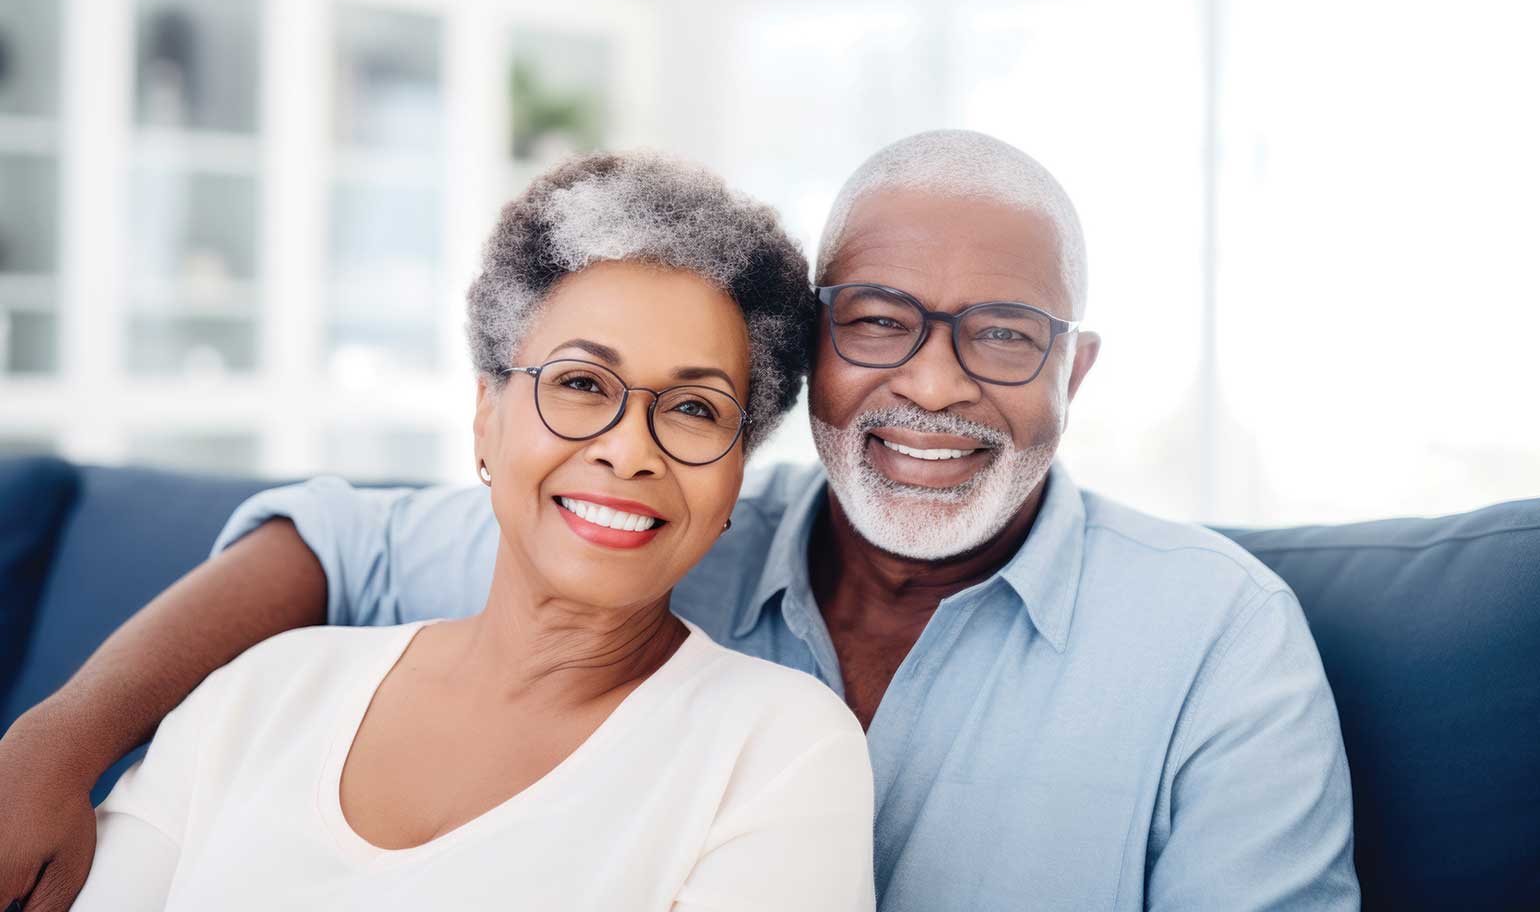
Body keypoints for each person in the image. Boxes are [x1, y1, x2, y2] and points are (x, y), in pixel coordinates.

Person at [0, 130, 1358, 912]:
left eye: (1004, 336)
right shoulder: (655, 528)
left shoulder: (1215, 643)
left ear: (1076, 369)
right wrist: (57, 739)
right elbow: (342, 540)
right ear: (812, 357)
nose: (934, 384)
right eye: (881, 323)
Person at [60, 153, 877, 911]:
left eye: (696, 408)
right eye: (582, 383)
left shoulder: (778, 751)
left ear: (737, 468)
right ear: (486, 417)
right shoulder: (266, 689)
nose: (630, 451)